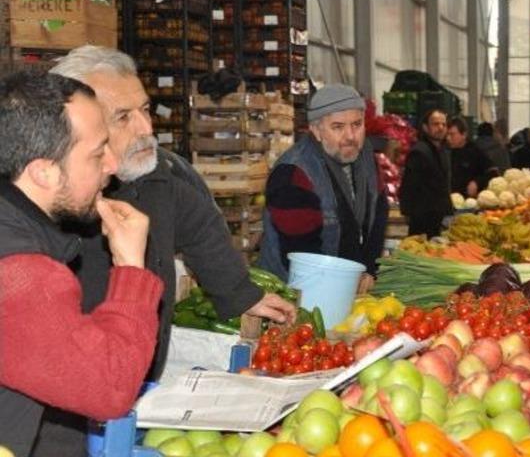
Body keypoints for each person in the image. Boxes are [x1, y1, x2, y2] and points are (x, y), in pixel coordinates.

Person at [45, 46, 296, 455]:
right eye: (123, 118)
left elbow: (200, 225)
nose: (147, 128)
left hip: (136, 378)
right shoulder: (50, 197)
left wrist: (239, 294)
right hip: (66, 408)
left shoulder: (154, 173)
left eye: (145, 109)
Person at [0, 71, 164, 456]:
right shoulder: (21, 276)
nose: (111, 164)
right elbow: (109, 387)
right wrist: (131, 268)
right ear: (44, 171)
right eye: (97, 153)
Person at [258, 84, 387, 293]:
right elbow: (302, 253)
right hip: (293, 292)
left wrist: (369, 270)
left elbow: (378, 214)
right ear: (316, 131)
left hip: (347, 285)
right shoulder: (294, 173)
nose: (350, 136)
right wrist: (345, 283)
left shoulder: (366, 158)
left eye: (357, 124)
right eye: (338, 127)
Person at [399, 108, 455, 238]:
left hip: (437, 217)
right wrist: (409, 212)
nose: (440, 127)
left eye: (444, 124)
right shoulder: (419, 152)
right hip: (422, 218)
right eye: (435, 124)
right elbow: (409, 186)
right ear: (425, 127)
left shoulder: (442, 151)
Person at [448, 117, 498, 197]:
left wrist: (477, 183)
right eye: (447, 134)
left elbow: (493, 172)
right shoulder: (444, 152)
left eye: (452, 134)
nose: (448, 138)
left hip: (468, 202)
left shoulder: (475, 151)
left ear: (464, 135)